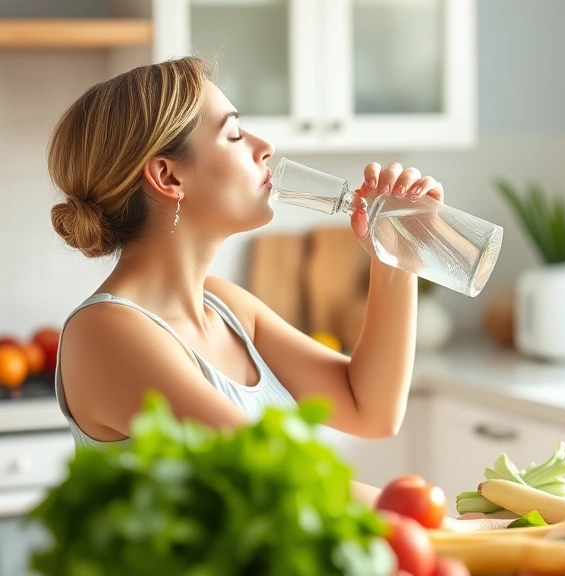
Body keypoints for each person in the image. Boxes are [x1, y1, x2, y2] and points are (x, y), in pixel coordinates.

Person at [48, 57, 504, 531]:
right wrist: (460, 529)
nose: (265, 148)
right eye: (234, 135)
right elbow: (275, 474)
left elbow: (372, 409)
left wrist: (397, 254)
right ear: (168, 178)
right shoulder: (106, 333)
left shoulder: (228, 307)